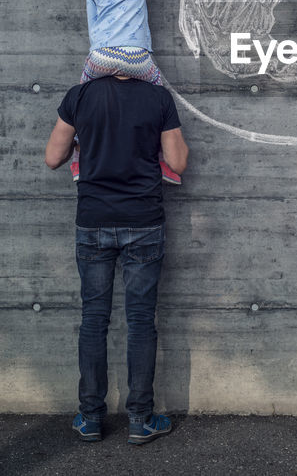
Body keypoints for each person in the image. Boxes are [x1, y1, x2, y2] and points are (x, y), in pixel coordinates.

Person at [45, 73, 189, 445]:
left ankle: (90, 418)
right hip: (143, 221)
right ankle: (141, 419)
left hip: (93, 220)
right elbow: (178, 161)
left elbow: (52, 158)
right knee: (141, 320)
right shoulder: (158, 98)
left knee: (94, 319)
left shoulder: (79, 95)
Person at [71, 0, 183, 184]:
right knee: (161, 101)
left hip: (101, 57)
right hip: (137, 58)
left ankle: (78, 160)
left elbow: (93, 27)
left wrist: (99, 56)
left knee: (79, 104)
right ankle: (163, 163)